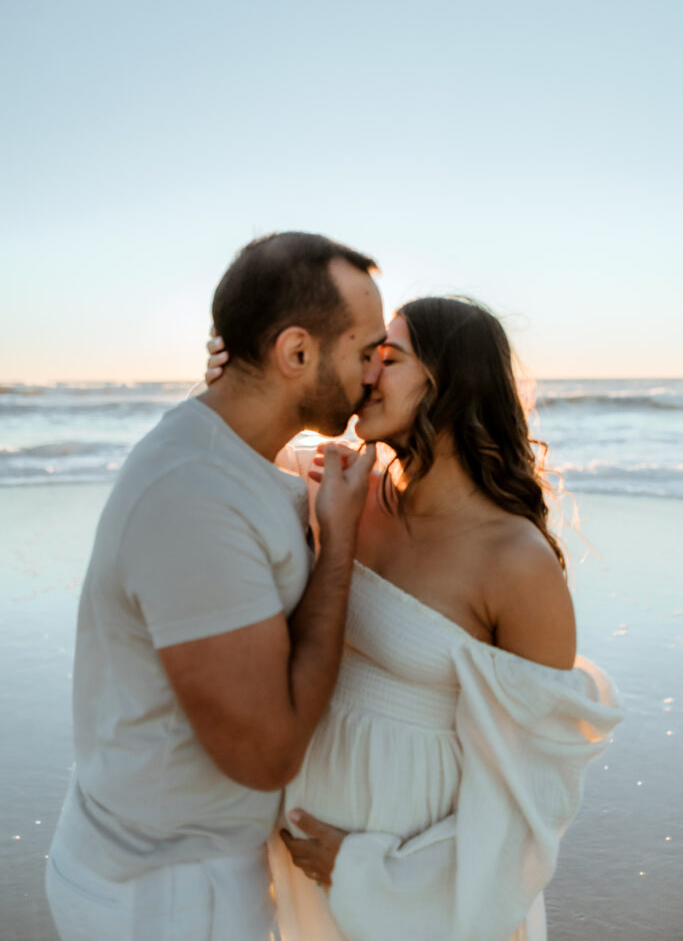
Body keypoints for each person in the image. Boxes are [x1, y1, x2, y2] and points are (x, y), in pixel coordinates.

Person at [206, 296, 623, 941]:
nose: (365, 373)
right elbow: (219, 466)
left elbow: (536, 792)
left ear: (451, 383)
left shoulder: (516, 561)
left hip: (421, 893)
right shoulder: (335, 484)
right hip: (299, 858)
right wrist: (242, 382)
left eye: (388, 357)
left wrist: (371, 869)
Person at [45, 231, 387, 941]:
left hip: (183, 868)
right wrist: (339, 545)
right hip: (163, 897)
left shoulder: (234, 454)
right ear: (295, 353)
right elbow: (266, 757)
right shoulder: (192, 497)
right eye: (364, 352)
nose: (373, 376)